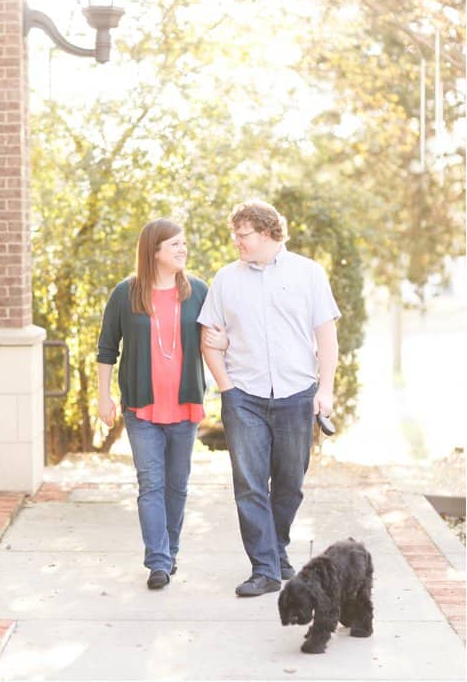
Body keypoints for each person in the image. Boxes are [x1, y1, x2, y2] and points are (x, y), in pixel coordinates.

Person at [197, 199, 340, 598]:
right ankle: (264, 567)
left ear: (267, 232)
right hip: (244, 396)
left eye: (242, 235)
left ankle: (276, 548)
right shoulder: (226, 278)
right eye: (235, 235)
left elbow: (326, 338)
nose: (236, 242)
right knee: (249, 485)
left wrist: (324, 390)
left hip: (297, 394)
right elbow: (209, 336)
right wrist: (226, 386)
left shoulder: (308, 274)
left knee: (290, 484)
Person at [96, 218, 210, 590]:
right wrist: (103, 396)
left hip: (184, 407)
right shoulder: (125, 294)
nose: (182, 249)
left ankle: (170, 550)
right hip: (141, 409)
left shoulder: (197, 292)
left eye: (183, 243)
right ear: (154, 251)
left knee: (177, 485)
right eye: (174, 244)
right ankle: (158, 561)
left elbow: (213, 340)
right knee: (151, 485)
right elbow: (107, 350)